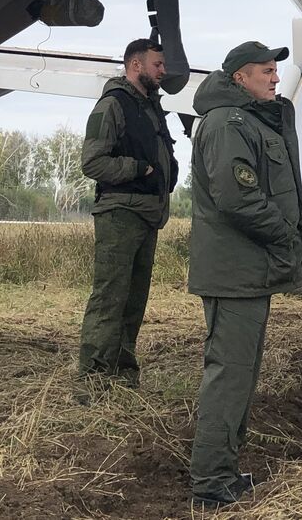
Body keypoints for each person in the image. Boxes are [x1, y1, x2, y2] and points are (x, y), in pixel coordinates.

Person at [187, 41, 302, 509]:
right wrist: (286, 236)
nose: (276, 79)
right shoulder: (226, 123)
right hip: (234, 274)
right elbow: (237, 197)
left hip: (247, 272)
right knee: (230, 375)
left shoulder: (248, 121)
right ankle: (211, 480)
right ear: (241, 77)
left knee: (240, 374)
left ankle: (223, 469)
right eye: (266, 72)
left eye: (275, 71)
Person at [76, 38, 177, 393]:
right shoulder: (113, 105)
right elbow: (93, 162)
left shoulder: (149, 107)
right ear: (136, 65)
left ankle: (122, 373)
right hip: (120, 214)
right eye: (157, 65)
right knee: (110, 297)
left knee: (134, 300)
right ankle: (92, 379)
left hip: (147, 214)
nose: (163, 71)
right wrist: (138, 168)